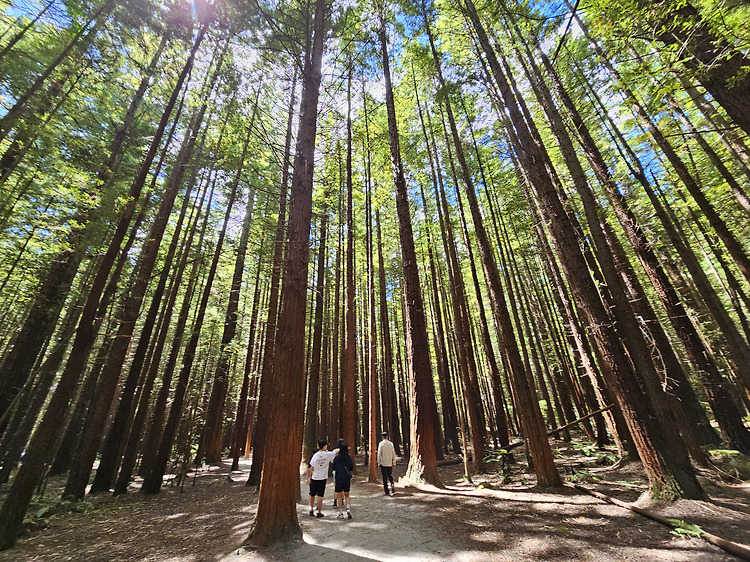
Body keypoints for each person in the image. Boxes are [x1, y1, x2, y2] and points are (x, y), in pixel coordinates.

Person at [306, 439, 338, 517]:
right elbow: (335, 452)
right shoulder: (327, 454)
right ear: (324, 446)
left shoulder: (315, 455)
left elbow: (310, 466)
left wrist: (308, 477)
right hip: (322, 478)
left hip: (314, 477)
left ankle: (311, 509)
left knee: (312, 493)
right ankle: (319, 512)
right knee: (320, 495)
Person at [332, 442, 354, 519]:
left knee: (339, 496)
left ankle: (340, 512)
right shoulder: (348, 458)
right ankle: (348, 509)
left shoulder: (336, 458)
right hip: (346, 478)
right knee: (347, 494)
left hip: (338, 478)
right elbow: (351, 467)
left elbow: (333, 467)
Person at [377, 430, 396, 496]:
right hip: (389, 463)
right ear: (387, 437)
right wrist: (394, 462)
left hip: (383, 463)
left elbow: (379, 454)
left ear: (382, 437)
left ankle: (387, 491)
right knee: (389, 475)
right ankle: (392, 482)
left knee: (384, 477)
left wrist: (378, 463)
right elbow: (393, 453)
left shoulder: (381, 444)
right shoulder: (391, 444)